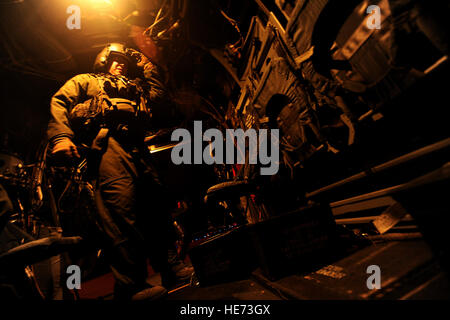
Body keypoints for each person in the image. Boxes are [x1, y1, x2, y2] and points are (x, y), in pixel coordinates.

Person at [47, 43, 193, 300]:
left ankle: (172, 268)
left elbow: (158, 95)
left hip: (138, 149)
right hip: (107, 149)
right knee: (121, 214)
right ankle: (131, 286)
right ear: (103, 60)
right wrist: (60, 136)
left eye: (125, 61)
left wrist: (145, 62)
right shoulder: (85, 81)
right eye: (116, 59)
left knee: (156, 208)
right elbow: (59, 101)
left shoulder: (135, 86)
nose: (121, 64)